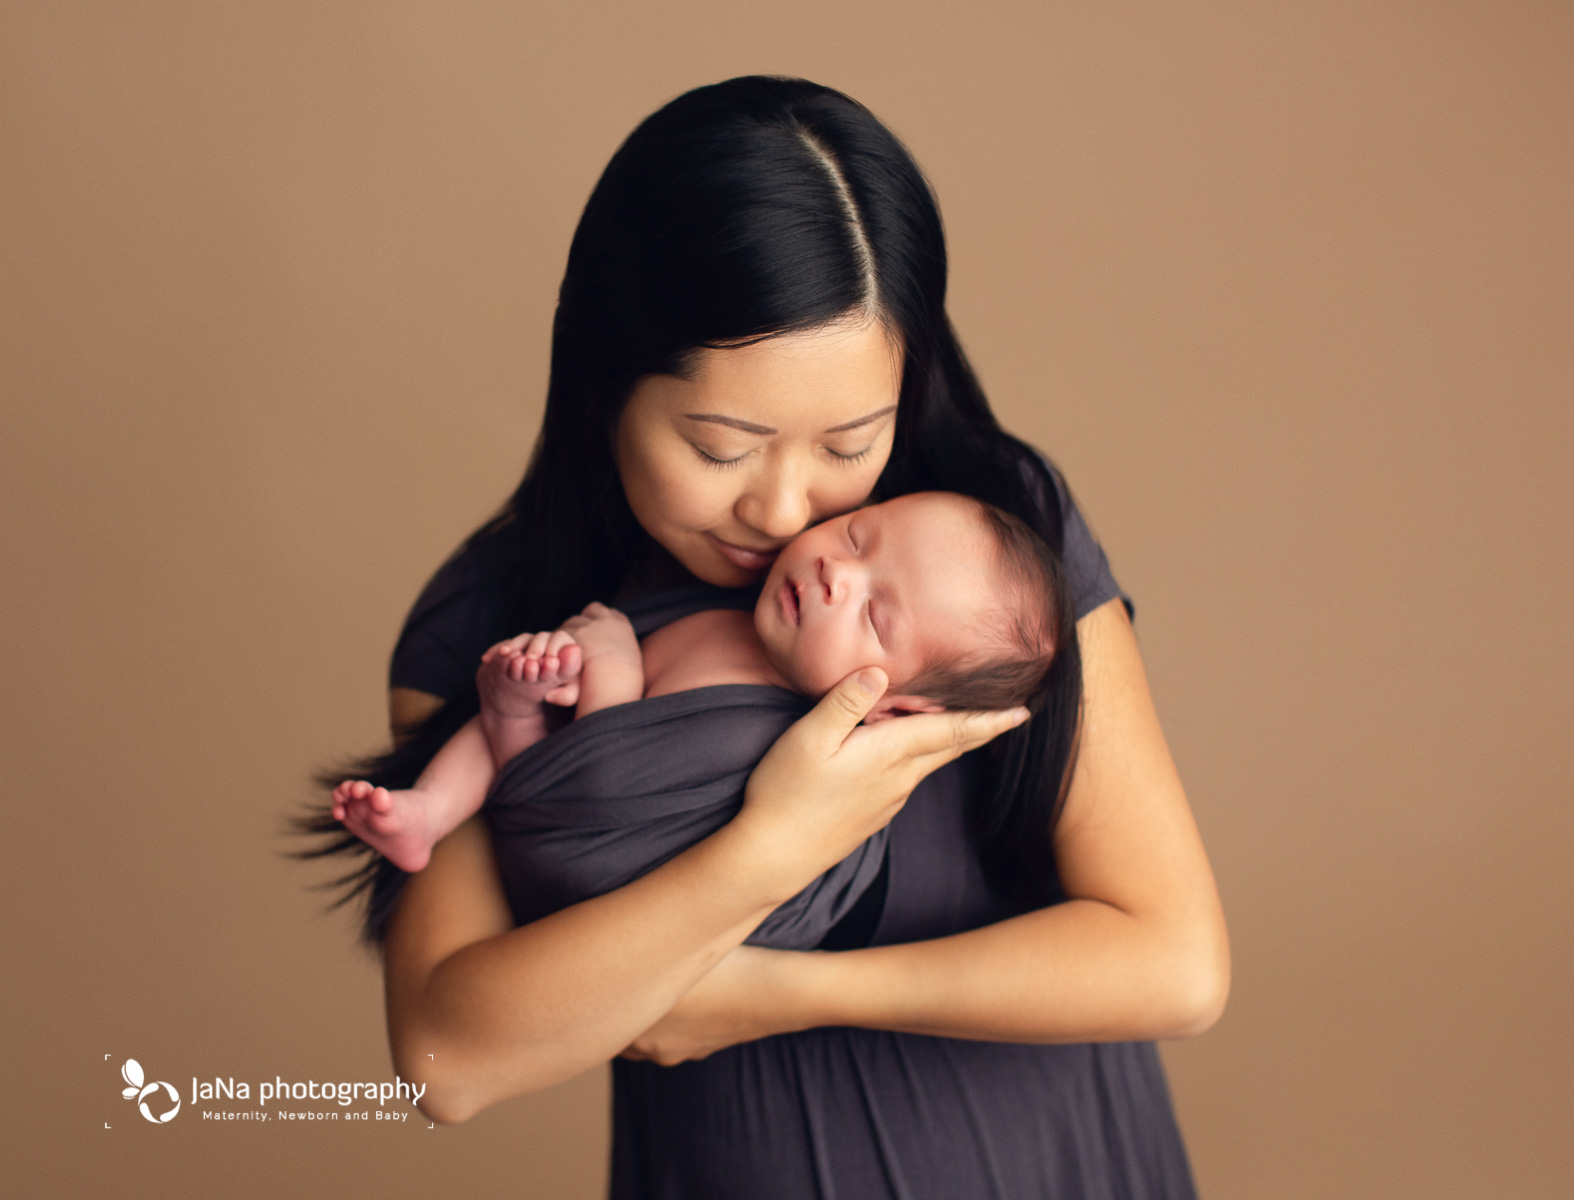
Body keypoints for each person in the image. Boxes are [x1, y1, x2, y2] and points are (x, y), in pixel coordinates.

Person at [305, 75, 1228, 1198]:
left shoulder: (992, 552)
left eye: (851, 445)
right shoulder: (495, 623)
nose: (789, 512)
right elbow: (450, 1061)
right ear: (607, 382)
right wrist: (771, 850)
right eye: (723, 448)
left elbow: (1174, 964)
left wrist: (768, 993)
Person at [331, 492, 1063, 878]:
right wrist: (561, 675)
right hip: (556, 752)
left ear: (893, 708)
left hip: (576, 829)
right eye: (857, 536)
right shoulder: (727, 600)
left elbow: (616, 792)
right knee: (515, 693)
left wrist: (611, 665)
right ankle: (428, 810)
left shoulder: (766, 737)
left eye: (874, 614)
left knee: (517, 706)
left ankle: (503, 727)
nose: (836, 574)